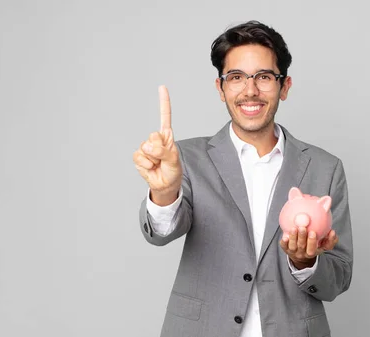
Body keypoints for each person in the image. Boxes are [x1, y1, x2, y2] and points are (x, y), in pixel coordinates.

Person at [132, 20, 353, 337]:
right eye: (236, 77)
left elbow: (339, 278)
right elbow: (161, 233)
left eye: (263, 77)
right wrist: (166, 192)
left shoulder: (325, 168)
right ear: (220, 88)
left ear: (285, 86)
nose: (250, 90)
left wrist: (306, 263)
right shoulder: (186, 159)